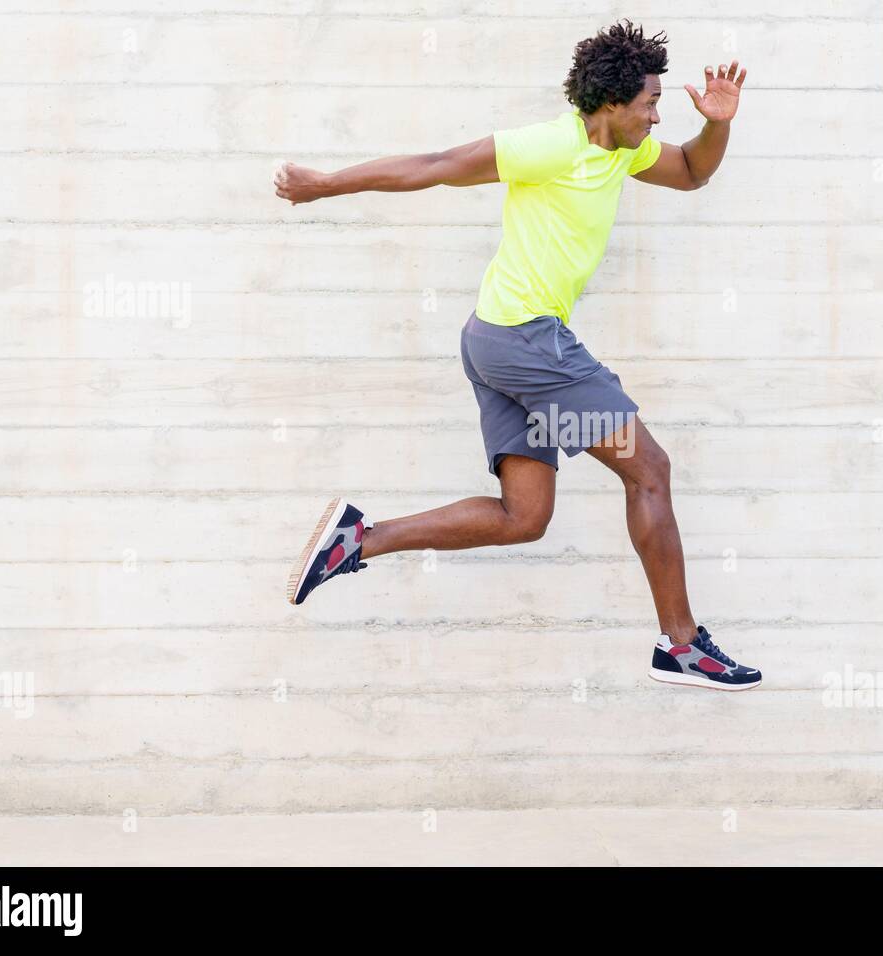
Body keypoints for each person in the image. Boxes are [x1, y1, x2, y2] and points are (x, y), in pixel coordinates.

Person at [276, 20, 759, 690]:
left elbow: (694, 172)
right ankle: (681, 645)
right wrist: (324, 185)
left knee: (523, 518)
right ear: (611, 105)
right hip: (525, 342)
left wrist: (718, 125)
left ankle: (359, 539)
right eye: (650, 103)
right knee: (649, 470)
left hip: (496, 343)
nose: (657, 116)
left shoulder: (626, 151)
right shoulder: (549, 146)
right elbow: (436, 167)